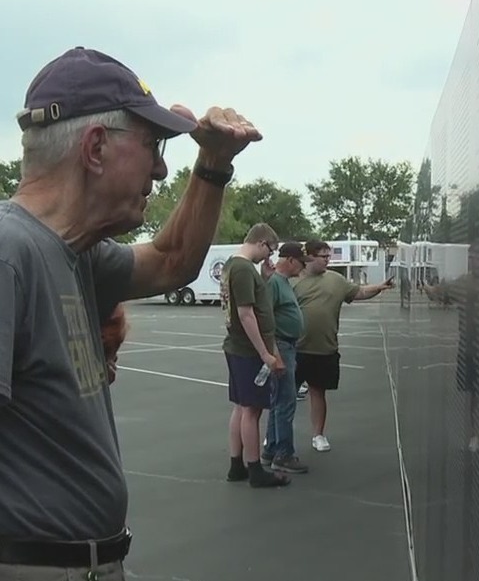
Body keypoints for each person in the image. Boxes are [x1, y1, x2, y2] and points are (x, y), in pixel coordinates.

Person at [0, 46, 261, 580]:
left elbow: (171, 260)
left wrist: (213, 164)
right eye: (152, 145)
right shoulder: (9, 254)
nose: (161, 169)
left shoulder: (76, 251)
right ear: (96, 148)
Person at [292, 239, 393, 452]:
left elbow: (359, 292)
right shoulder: (292, 281)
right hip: (295, 349)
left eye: (329, 256)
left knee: (318, 392)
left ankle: (318, 435)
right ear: (309, 257)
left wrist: (379, 287)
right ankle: (275, 436)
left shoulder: (336, 280)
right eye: (323, 256)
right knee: (284, 395)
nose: (327, 260)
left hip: (324, 348)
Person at [220, 223, 289, 488]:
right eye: (270, 250)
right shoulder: (242, 268)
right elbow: (246, 313)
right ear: (261, 243)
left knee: (241, 406)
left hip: (238, 348)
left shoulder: (234, 266)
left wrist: (265, 278)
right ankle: (255, 468)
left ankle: (237, 464)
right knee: (252, 410)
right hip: (248, 351)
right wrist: (265, 353)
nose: (269, 256)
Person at [261, 242, 312, 474]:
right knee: (286, 401)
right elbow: (265, 321)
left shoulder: (281, 282)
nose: (303, 267)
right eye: (301, 262)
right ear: (290, 260)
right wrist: (275, 354)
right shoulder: (275, 284)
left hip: (287, 345)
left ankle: (272, 448)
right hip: (281, 345)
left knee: (279, 400)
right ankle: (284, 454)